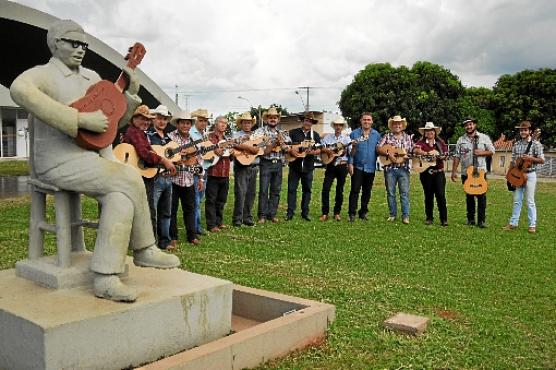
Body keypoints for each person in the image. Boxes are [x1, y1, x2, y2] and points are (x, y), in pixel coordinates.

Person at [10, 19, 179, 302]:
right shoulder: (41, 75)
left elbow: (110, 126)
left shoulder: (92, 77)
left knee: (121, 197)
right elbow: (18, 90)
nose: (80, 50)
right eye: (73, 43)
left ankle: (105, 277)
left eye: (84, 45)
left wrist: (131, 95)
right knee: (129, 177)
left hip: (89, 159)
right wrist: (76, 119)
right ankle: (144, 248)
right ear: (55, 43)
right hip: (55, 161)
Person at [122, 105, 176, 242]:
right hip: (141, 177)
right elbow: (144, 153)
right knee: (148, 210)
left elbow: (147, 152)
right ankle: (150, 243)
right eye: (142, 119)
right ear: (134, 118)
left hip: (139, 175)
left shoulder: (139, 133)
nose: (146, 122)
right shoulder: (135, 133)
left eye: (148, 120)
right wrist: (164, 161)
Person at [451, 117, 495, 228]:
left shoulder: (484, 137)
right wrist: (454, 171)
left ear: (474, 125)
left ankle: (481, 221)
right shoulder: (461, 140)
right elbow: (457, 156)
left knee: (481, 196)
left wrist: (482, 152)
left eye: (470, 124)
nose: (469, 127)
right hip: (466, 172)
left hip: (480, 171)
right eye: (466, 125)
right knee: (469, 196)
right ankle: (470, 219)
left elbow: (492, 151)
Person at [168, 111, 204, 245]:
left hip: (188, 179)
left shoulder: (194, 141)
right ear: (177, 124)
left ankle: (192, 236)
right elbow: (165, 155)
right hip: (172, 179)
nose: (185, 125)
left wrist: (200, 178)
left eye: (188, 123)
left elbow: (199, 160)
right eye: (182, 122)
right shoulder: (170, 137)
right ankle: (173, 237)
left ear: (190, 125)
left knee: (190, 208)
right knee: (171, 209)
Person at [503, 120, 544, 233]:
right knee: (517, 200)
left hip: (530, 175)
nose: (523, 132)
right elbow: (513, 161)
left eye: (525, 130)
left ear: (530, 131)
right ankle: (513, 223)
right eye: (521, 130)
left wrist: (530, 158)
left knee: (530, 201)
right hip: (517, 175)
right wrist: (508, 175)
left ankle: (532, 225)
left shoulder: (536, 144)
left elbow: (541, 160)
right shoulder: (517, 144)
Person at [254, 107, 290, 224]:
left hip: (278, 163)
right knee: (263, 190)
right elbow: (257, 145)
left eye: (275, 117)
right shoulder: (260, 131)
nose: (273, 119)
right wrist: (272, 143)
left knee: (276, 190)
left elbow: (287, 148)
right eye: (270, 117)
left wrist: (283, 144)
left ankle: (272, 214)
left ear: (278, 120)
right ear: (266, 119)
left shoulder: (283, 133)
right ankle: (262, 216)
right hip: (266, 162)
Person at [146, 105, 174, 249]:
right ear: (153, 119)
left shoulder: (169, 139)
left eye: (164, 119)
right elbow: (147, 155)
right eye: (159, 118)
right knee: (152, 211)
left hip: (168, 178)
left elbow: (173, 158)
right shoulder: (148, 136)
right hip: (155, 177)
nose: (162, 121)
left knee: (166, 212)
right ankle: (150, 242)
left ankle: (165, 240)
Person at [377, 115, 414, 224]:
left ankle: (405, 216)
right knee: (391, 193)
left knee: (404, 193)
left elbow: (412, 151)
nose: (397, 125)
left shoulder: (408, 138)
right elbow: (378, 148)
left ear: (402, 125)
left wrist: (410, 155)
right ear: (392, 125)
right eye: (395, 123)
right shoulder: (387, 136)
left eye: (399, 123)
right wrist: (389, 154)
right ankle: (392, 214)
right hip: (390, 169)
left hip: (404, 169)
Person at [286, 112, 321, 221]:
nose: (308, 122)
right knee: (292, 189)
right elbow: (286, 145)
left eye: (310, 121)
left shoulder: (315, 135)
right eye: (306, 120)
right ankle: (290, 213)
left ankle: (305, 213)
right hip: (294, 166)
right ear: (303, 121)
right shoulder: (293, 132)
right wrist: (291, 149)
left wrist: (312, 152)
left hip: (308, 167)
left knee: (307, 190)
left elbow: (319, 149)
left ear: (312, 123)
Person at [347, 112, 381, 222]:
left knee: (367, 191)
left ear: (372, 122)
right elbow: (350, 151)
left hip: (370, 167)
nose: (366, 121)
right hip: (358, 166)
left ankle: (363, 212)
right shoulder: (354, 134)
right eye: (364, 119)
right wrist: (350, 163)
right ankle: (352, 213)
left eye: (368, 120)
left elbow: (379, 150)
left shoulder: (376, 135)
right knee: (355, 190)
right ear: (361, 121)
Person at [413, 122, 449, 226]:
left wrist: (442, 156)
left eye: (431, 131)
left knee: (441, 195)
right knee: (428, 195)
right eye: (427, 131)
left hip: (438, 173)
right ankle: (429, 218)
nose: (429, 132)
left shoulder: (440, 143)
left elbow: (446, 155)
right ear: (424, 133)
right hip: (425, 173)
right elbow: (415, 150)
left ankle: (444, 219)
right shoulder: (421, 143)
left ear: (435, 132)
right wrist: (426, 153)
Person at [319, 117, 352, 221]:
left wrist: (352, 146)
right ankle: (325, 213)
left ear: (342, 127)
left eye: (340, 125)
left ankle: (337, 213)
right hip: (330, 165)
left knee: (339, 190)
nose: (338, 127)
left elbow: (351, 153)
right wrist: (329, 151)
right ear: (334, 126)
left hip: (342, 166)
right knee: (325, 189)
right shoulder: (328, 137)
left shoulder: (347, 139)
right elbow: (321, 147)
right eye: (336, 125)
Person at [231, 112, 261, 227]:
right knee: (240, 193)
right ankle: (237, 219)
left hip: (254, 166)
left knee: (251, 193)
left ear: (251, 124)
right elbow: (234, 144)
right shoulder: (236, 134)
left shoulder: (256, 135)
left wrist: (256, 148)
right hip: (241, 166)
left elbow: (259, 148)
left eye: (249, 122)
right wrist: (249, 147)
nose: (247, 124)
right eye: (245, 122)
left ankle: (247, 217)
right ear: (241, 124)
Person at [205, 116, 231, 232]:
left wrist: (232, 152)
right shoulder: (209, 137)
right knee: (211, 199)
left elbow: (228, 157)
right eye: (221, 122)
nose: (223, 125)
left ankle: (219, 222)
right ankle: (211, 224)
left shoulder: (227, 139)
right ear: (216, 124)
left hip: (225, 172)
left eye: (225, 123)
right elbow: (204, 151)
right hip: (213, 171)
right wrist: (215, 151)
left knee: (222, 199)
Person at [189, 108, 210, 237]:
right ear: (195, 121)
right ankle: (196, 228)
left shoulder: (204, 135)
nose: (203, 123)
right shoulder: (192, 134)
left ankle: (196, 225)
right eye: (201, 120)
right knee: (195, 200)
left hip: (204, 169)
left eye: (205, 121)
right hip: (195, 170)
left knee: (200, 199)